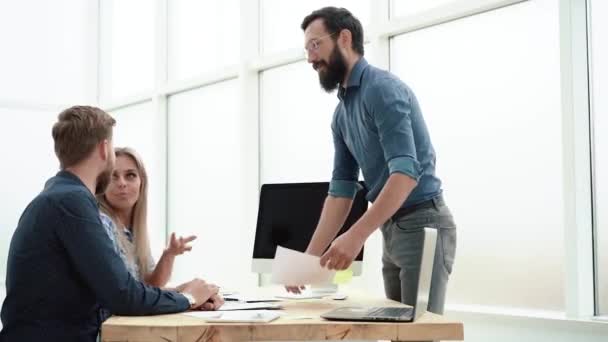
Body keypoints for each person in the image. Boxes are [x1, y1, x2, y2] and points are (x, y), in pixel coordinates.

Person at [0, 106, 222, 342]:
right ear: (104, 149)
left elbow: (112, 292)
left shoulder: (60, 196)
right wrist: (187, 299)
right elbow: (123, 296)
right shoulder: (71, 202)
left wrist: (180, 294)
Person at [289, 7, 457, 314]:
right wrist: (309, 258)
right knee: (397, 332)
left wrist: (356, 235)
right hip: (391, 226)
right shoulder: (341, 115)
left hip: (423, 222)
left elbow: (406, 173)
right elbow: (341, 191)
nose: (311, 58)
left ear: (344, 38)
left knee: (419, 334)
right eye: (307, 50)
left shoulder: (381, 90)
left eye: (315, 45)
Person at [97, 147, 195, 287]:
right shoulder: (102, 223)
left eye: (130, 175)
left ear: (142, 182)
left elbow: (150, 285)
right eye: (113, 176)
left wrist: (169, 255)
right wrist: (186, 295)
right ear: (102, 184)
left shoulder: (134, 229)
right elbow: (126, 293)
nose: (122, 183)